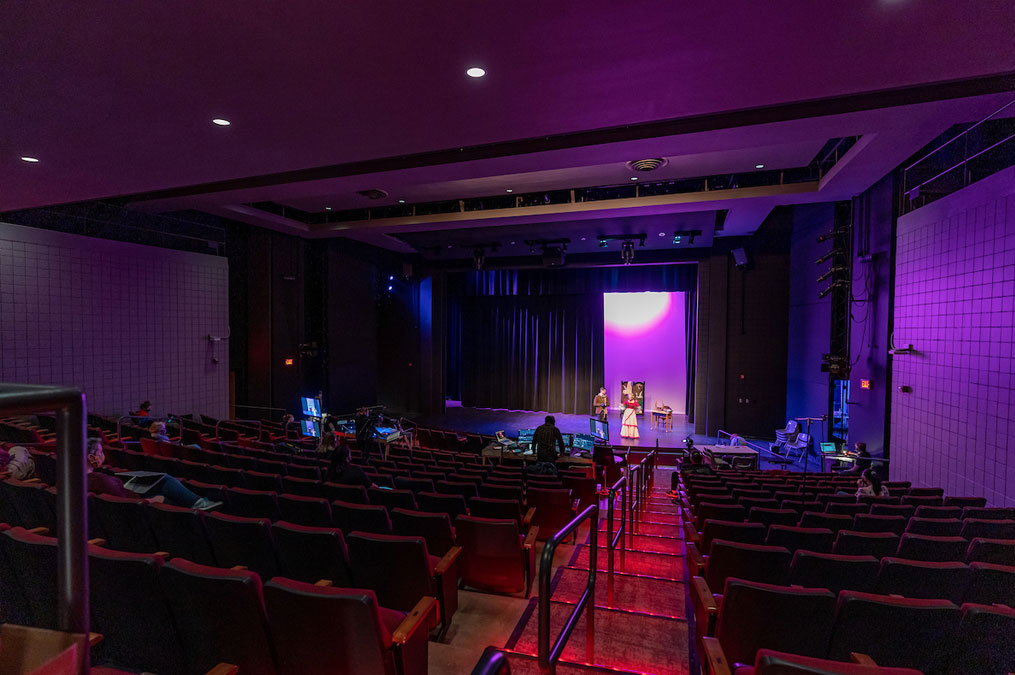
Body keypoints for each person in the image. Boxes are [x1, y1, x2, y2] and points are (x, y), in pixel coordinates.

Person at [86, 438, 222, 510]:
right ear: (91, 457)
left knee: (162, 479)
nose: (104, 455)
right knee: (166, 489)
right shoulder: (98, 480)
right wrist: (152, 500)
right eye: (101, 452)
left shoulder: (79, 479)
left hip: (133, 494)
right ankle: (197, 506)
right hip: (139, 507)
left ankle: (196, 505)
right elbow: (123, 506)